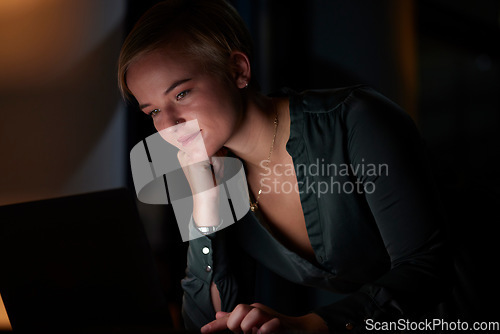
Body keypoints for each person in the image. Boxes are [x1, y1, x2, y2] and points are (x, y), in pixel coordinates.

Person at [118, 0, 453, 332]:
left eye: (181, 94)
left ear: (238, 70)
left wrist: (314, 324)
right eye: (153, 112)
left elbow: (428, 268)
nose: (170, 126)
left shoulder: (357, 121)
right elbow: (205, 325)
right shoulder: (205, 171)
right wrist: (206, 210)